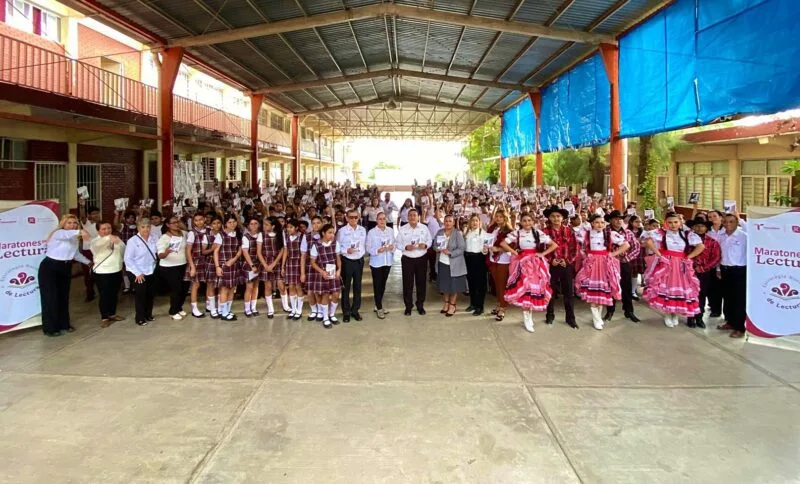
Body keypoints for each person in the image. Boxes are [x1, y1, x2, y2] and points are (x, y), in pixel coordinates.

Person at [642, 212, 705, 328]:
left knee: (679, 289)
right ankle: (667, 314)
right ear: (666, 223)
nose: (673, 225)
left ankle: (675, 313)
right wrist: (659, 254)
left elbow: (701, 246)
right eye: (670, 222)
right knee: (666, 289)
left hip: (681, 265)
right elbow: (648, 241)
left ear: (680, 222)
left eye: (675, 222)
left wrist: (688, 257)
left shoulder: (687, 234)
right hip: (666, 264)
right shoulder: (662, 233)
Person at [500, 213, 558, 332]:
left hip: (536, 264)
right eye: (524, 221)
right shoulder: (517, 233)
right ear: (520, 222)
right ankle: (527, 318)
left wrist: (542, 254)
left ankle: (529, 316)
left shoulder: (538, 233)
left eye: (529, 220)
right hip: (522, 263)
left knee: (533, 289)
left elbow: (554, 245)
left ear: (533, 221)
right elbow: (503, 243)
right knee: (525, 288)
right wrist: (514, 252)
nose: (527, 223)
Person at [38, 215, 92, 336]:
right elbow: (67, 235)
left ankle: (64, 324)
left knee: (63, 297)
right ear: (63, 224)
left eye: (74, 223)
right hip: (50, 268)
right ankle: (50, 328)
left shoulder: (74, 238)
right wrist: (81, 231)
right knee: (50, 298)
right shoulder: (59, 233)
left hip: (65, 267)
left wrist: (88, 262)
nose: (72, 225)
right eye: (69, 223)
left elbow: (75, 254)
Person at [574, 214, 630, 330]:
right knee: (593, 292)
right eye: (597, 222)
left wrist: (613, 254)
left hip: (605, 264)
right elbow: (577, 243)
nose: (600, 225)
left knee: (602, 292)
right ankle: (596, 318)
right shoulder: (586, 234)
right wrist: (584, 254)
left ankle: (598, 317)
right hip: (591, 264)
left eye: (602, 222)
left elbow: (626, 245)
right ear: (592, 223)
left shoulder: (610, 234)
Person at [542, 206, 578, 329]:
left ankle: (570, 318)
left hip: (566, 265)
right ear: (549, 218)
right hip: (551, 266)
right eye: (553, 216)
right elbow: (541, 249)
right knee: (550, 291)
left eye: (558, 216)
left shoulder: (569, 231)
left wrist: (567, 261)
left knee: (569, 292)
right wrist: (550, 260)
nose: (556, 218)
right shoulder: (544, 232)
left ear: (562, 218)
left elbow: (574, 248)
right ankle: (550, 315)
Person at [605, 210, 641, 323]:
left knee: (627, 286)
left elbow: (636, 247)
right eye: (616, 218)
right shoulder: (605, 232)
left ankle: (629, 310)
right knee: (611, 286)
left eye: (620, 218)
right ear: (610, 220)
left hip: (624, 262)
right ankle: (610, 310)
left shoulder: (628, 233)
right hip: (609, 263)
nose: (618, 221)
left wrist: (627, 258)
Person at [686, 217, 721, 329]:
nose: (699, 228)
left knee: (702, 294)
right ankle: (690, 317)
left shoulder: (712, 242)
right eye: (696, 226)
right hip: (689, 271)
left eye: (702, 226)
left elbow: (716, 257)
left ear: (706, 228)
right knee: (689, 294)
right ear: (693, 228)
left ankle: (699, 317)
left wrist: (704, 268)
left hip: (704, 272)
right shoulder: (687, 240)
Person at [716, 213, 747, 338]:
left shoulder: (744, 235)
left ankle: (740, 327)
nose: (728, 224)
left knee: (739, 300)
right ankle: (730, 322)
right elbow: (720, 254)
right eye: (726, 222)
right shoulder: (721, 236)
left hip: (739, 271)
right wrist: (718, 269)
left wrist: (741, 220)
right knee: (727, 298)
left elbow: (753, 232)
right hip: (724, 270)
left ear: (737, 223)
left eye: (731, 222)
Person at [124, 218, 160, 326]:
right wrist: (137, 273)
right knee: (141, 295)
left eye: (148, 227)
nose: (146, 229)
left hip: (151, 270)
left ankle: (148, 314)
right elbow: (128, 259)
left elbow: (158, 252)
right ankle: (139, 317)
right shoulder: (132, 241)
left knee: (150, 294)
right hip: (137, 271)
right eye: (143, 227)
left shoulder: (154, 238)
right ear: (138, 228)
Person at [90, 222, 126, 328]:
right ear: (98, 231)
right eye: (103, 229)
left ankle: (112, 314)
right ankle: (104, 317)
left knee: (114, 294)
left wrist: (117, 241)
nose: (107, 231)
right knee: (104, 295)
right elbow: (98, 247)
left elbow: (123, 251)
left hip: (116, 270)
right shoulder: (94, 241)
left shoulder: (117, 239)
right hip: (102, 272)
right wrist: (109, 238)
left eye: (109, 228)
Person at [397, 208, 432, 315]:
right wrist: (405, 247)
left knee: (421, 283)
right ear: (407, 217)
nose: (412, 217)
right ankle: (408, 306)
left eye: (414, 215)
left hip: (421, 258)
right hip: (408, 259)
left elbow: (429, 240)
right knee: (408, 284)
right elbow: (397, 244)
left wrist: (425, 245)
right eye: (410, 215)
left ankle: (420, 305)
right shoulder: (402, 229)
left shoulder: (424, 228)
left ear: (418, 217)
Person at [309, 224, 343, 328]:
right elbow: (313, 262)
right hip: (322, 274)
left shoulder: (335, 244)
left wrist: (339, 270)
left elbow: (338, 259)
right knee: (325, 295)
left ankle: (331, 314)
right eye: (329, 232)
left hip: (333, 273)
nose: (332, 235)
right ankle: (325, 318)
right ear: (323, 233)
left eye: (333, 233)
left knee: (336, 294)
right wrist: (322, 272)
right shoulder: (316, 245)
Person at [337, 209, 367, 322]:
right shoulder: (342, 231)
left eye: (356, 217)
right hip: (347, 261)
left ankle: (355, 310)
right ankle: (346, 312)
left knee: (358, 287)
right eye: (351, 217)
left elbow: (364, 244)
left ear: (358, 217)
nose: (353, 219)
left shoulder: (363, 230)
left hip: (359, 261)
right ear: (347, 218)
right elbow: (338, 247)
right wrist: (346, 250)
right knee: (346, 287)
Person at [433, 215, 467, 317]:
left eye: (450, 221)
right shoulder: (439, 232)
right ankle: (446, 303)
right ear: (444, 222)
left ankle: (452, 305)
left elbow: (462, 249)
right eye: (446, 221)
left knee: (453, 287)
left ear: (453, 222)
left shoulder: (457, 233)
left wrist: (450, 252)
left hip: (454, 264)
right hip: (442, 262)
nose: (448, 223)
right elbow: (434, 245)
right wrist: (437, 248)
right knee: (444, 286)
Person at [156, 216, 188, 321]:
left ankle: (179, 307)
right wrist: (167, 251)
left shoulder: (184, 233)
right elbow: (160, 255)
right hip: (169, 267)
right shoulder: (164, 238)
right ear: (168, 225)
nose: (176, 224)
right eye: (173, 223)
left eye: (177, 222)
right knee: (176, 288)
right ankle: (173, 311)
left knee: (184, 288)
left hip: (182, 264)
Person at [366, 211, 395, 319]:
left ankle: (378, 304)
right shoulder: (372, 232)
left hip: (387, 261)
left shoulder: (390, 231)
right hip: (377, 262)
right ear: (376, 220)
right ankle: (379, 307)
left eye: (384, 219)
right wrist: (378, 250)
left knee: (383, 284)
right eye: (380, 219)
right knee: (377, 285)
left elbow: (394, 243)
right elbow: (368, 247)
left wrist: (392, 248)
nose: (382, 221)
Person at [487, 211, 514, 322]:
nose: (498, 219)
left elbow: (512, 246)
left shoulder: (509, 231)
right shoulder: (492, 229)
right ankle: (499, 304)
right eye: (496, 217)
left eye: (500, 217)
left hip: (504, 260)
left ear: (505, 218)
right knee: (496, 284)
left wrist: (499, 249)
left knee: (502, 285)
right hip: (493, 259)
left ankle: (503, 307)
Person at [257, 216, 285, 319]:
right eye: (264, 224)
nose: (264, 226)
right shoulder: (261, 235)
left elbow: (282, 250)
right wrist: (265, 265)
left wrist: (274, 263)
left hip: (276, 262)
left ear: (273, 226)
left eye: (267, 224)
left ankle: (285, 306)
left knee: (281, 285)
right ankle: (270, 309)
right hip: (265, 262)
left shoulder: (279, 234)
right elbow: (259, 252)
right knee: (268, 286)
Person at [216, 215, 242, 321]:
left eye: (234, 222)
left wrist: (234, 258)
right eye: (229, 222)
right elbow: (216, 251)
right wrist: (217, 266)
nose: (232, 224)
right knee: (224, 288)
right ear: (225, 224)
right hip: (223, 264)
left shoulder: (238, 234)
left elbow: (240, 249)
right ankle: (223, 312)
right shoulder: (220, 235)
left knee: (232, 288)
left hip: (234, 264)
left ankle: (228, 309)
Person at [463, 214, 489, 316]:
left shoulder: (484, 234)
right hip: (469, 258)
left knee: (480, 284)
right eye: (472, 221)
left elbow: (486, 248)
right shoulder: (467, 233)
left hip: (479, 259)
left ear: (479, 222)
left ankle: (480, 306)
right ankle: (473, 304)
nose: (474, 223)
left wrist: (486, 250)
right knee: (471, 282)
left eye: (476, 221)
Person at [300, 216, 322, 321]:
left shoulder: (325, 235)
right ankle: (314, 310)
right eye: (314, 223)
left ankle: (321, 310)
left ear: (322, 224)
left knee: (319, 291)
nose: (316, 225)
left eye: (318, 223)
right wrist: (302, 273)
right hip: (310, 266)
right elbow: (303, 255)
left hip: (322, 266)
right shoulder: (306, 236)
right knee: (310, 291)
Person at [241, 217, 263, 318]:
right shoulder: (246, 237)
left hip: (259, 264)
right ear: (248, 226)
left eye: (255, 223)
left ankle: (253, 307)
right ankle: (247, 309)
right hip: (250, 264)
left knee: (256, 286)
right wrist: (252, 265)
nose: (254, 226)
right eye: (251, 224)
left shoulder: (261, 235)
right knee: (249, 287)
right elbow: (245, 252)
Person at [282, 218, 304, 320]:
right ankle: (293, 309)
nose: (289, 229)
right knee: (290, 286)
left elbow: (304, 254)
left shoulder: (301, 237)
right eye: (288, 228)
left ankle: (299, 310)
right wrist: (283, 266)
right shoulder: (286, 237)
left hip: (299, 263)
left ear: (296, 228)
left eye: (291, 227)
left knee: (298, 286)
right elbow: (285, 252)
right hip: (289, 263)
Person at [79, 204, 101, 302]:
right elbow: (82, 216)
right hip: (87, 251)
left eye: (97, 213)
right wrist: (82, 206)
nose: (96, 215)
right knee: (87, 273)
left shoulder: (100, 224)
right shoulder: (86, 223)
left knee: (99, 272)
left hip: (98, 250)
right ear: (89, 215)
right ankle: (90, 293)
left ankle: (101, 291)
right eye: (94, 213)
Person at [425, 207, 442, 282]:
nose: (439, 213)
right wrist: (423, 210)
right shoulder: (430, 218)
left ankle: (438, 275)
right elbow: (423, 220)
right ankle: (432, 275)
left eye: (440, 211)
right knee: (432, 259)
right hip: (431, 240)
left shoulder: (443, 219)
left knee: (438, 259)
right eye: (437, 211)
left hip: (440, 241)